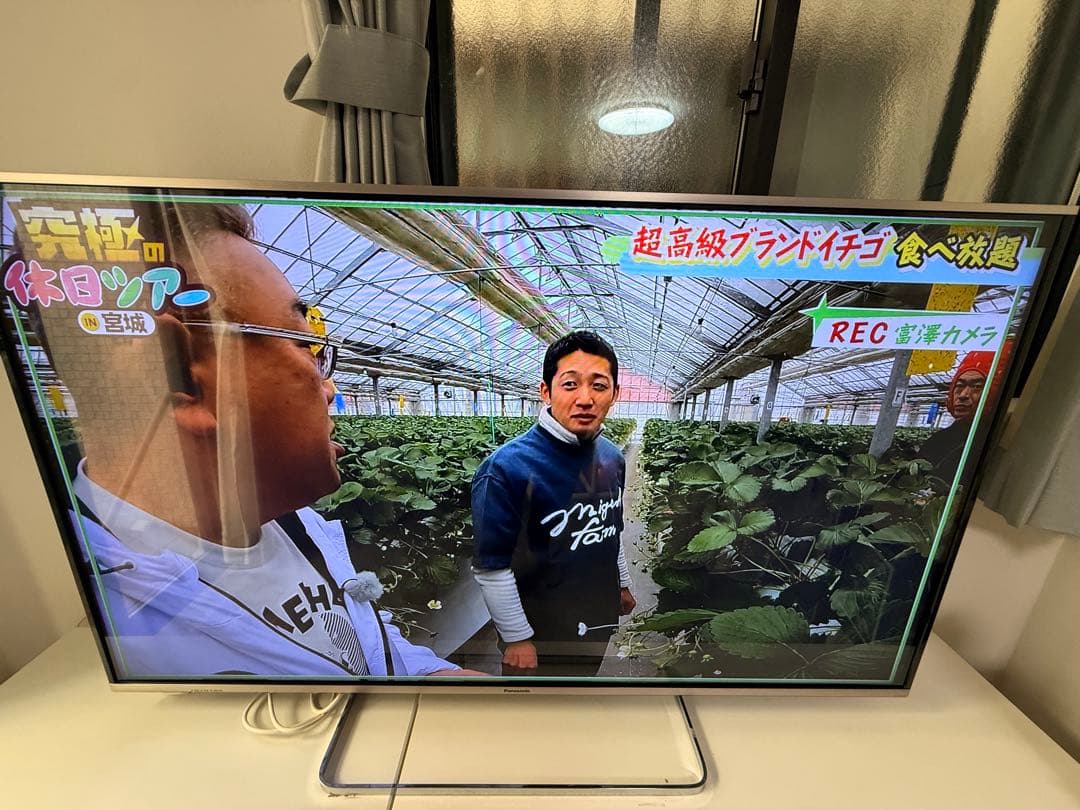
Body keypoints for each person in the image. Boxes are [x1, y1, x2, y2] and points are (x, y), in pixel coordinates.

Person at [22, 202, 477, 679]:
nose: (329, 388)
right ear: (176, 373)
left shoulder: (288, 522)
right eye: (305, 344)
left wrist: (448, 683)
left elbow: (370, 649)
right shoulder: (95, 641)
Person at [470, 331, 636, 676]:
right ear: (546, 391)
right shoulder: (506, 469)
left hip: (597, 618)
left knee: (581, 692)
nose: (585, 399)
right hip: (540, 632)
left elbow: (610, 528)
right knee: (534, 706)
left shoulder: (612, 458)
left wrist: (621, 583)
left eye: (599, 386)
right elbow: (492, 567)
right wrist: (517, 637)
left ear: (615, 394)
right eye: (570, 384)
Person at [919, 350, 994, 490]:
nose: (963, 395)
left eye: (977, 387)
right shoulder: (938, 440)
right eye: (959, 386)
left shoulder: (991, 444)